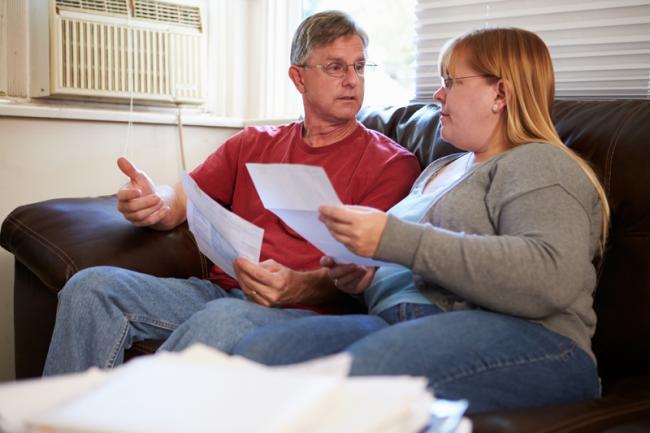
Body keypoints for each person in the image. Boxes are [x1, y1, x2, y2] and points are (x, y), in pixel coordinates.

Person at [225, 27, 611, 414]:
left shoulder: (539, 162)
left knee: (363, 377)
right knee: (259, 355)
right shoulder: (441, 169)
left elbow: (551, 276)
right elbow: (411, 257)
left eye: (450, 82)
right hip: (400, 320)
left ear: (501, 94)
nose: (437, 94)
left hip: (536, 342)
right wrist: (364, 276)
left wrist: (393, 239)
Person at [43, 10, 421, 376]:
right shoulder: (251, 143)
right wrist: (155, 202)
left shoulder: (392, 164)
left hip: (305, 312)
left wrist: (298, 284)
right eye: (336, 66)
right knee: (90, 287)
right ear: (298, 78)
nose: (352, 79)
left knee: (222, 320)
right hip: (221, 293)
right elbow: (181, 201)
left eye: (359, 66)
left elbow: (367, 271)